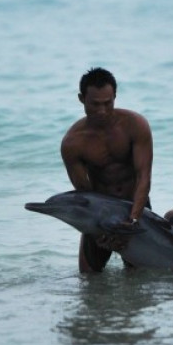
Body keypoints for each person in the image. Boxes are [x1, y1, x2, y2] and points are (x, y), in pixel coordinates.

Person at [61, 67, 153, 273]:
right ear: (81, 99)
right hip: (101, 212)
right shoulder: (73, 143)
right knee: (88, 278)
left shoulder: (135, 125)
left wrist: (134, 219)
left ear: (115, 97)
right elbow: (84, 192)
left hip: (136, 205)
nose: (102, 111)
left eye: (107, 103)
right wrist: (98, 231)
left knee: (139, 278)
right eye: (95, 104)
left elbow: (143, 176)